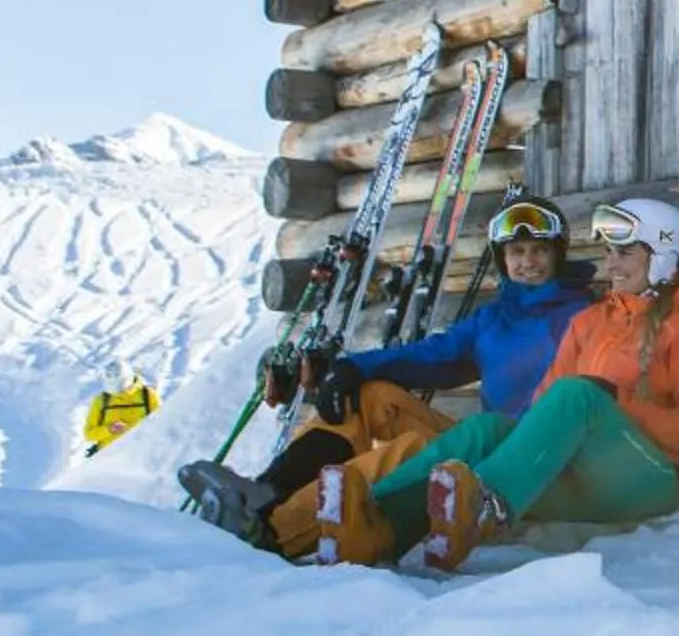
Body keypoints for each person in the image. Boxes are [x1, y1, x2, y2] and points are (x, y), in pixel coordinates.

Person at [313, 197, 679, 572]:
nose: (611, 265)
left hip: (650, 478)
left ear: (664, 255)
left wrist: (619, 401)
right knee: (486, 427)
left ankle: (483, 509)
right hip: (585, 483)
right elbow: (544, 406)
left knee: (577, 393)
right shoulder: (589, 322)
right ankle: (376, 522)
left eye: (625, 252)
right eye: (609, 252)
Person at [179, 196, 593, 558]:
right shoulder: (494, 317)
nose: (527, 262)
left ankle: (276, 532)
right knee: (371, 395)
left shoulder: (580, 316)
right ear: (502, 258)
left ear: (558, 254)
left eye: (539, 250)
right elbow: (436, 356)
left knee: (411, 449)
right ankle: (267, 492)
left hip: (522, 465)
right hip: (481, 445)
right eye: (516, 251)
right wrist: (356, 367)